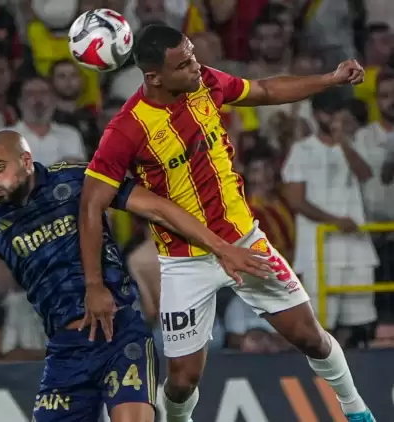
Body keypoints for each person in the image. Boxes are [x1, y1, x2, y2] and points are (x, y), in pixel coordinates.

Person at [78, 24, 375, 422]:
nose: (195, 67)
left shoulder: (205, 82)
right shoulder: (126, 129)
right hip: (184, 261)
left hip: (245, 241)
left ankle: (357, 411)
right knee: (182, 380)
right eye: (183, 65)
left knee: (311, 337)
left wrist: (329, 79)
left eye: (192, 56)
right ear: (154, 77)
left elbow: (264, 90)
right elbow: (90, 205)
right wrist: (93, 285)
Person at [0, 130, 269, 422]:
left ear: (26, 161)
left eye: (0, 168)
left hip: (121, 333)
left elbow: (159, 208)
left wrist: (222, 248)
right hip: (66, 349)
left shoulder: (77, 180)